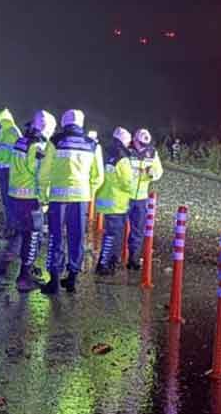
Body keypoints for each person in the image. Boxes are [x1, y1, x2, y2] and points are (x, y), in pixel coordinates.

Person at [43, 109, 104, 292]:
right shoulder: (93, 145)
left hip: (58, 198)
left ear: (64, 122)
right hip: (80, 198)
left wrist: (43, 195)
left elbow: (44, 172)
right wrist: (89, 192)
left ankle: (54, 280)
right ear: (81, 123)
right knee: (76, 237)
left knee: (55, 236)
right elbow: (98, 176)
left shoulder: (55, 141)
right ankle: (72, 278)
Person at [3, 110, 55, 291]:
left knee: (22, 234)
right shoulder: (38, 145)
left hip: (14, 196)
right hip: (30, 198)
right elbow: (40, 174)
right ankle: (24, 278)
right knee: (32, 237)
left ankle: (13, 264)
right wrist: (45, 199)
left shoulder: (21, 141)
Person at [93, 127, 136, 275]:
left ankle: (109, 263)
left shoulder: (106, 153)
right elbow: (127, 183)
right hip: (117, 202)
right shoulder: (122, 158)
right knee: (112, 236)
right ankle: (103, 265)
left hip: (105, 200)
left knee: (110, 234)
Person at [126, 127, 164, 270]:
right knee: (117, 230)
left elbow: (158, 171)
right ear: (134, 140)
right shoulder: (126, 151)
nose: (142, 147)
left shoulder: (152, 152)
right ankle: (111, 261)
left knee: (137, 231)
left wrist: (150, 173)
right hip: (125, 196)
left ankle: (133, 260)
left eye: (144, 144)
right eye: (140, 143)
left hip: (141, 197)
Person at [0, 108, 22, 236]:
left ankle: (11, 229)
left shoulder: (9, 133)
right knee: (8, 202)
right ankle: (10, 228)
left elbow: (2, 154)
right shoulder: (8, 131)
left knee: (9, 202)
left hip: (7, 172)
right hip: (7, 172)